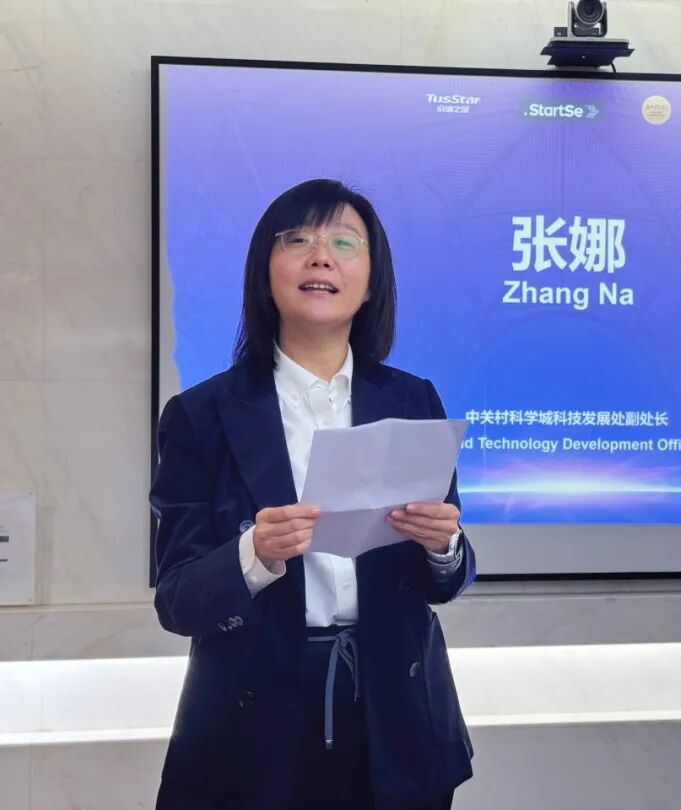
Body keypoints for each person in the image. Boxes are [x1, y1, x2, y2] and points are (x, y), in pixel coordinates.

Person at [150, 179, 475, 810]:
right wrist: (255, 554)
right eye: (298, 240)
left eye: (344, 243)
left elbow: (443, 579)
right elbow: (177, 600)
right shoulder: (202, 414)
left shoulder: (412, 399)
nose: (321, 257)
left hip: (396, 723)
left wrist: (444, 546)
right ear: (263, 272)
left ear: (372, 282)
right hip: (250, 727)